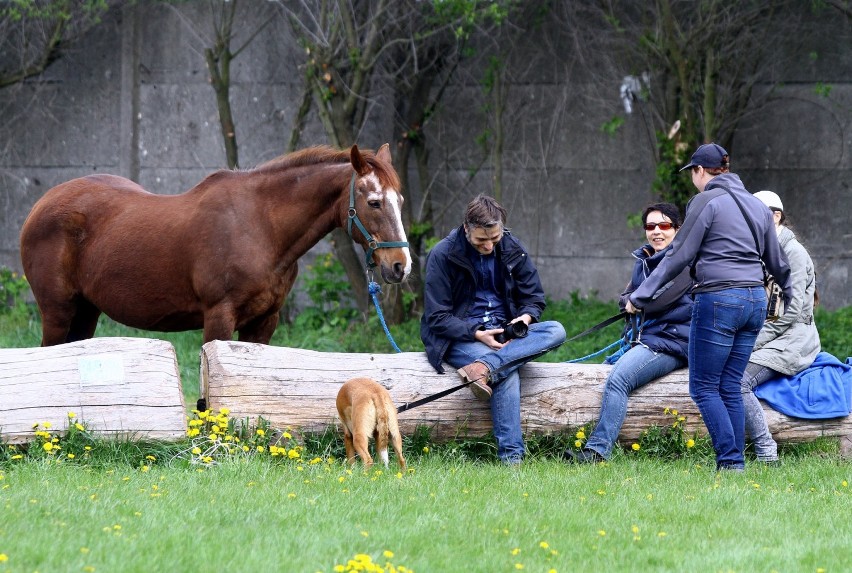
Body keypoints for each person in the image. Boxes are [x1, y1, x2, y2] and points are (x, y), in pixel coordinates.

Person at [625, 143, 792, 472]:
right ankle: (736, 463)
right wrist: (787, 292)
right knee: (729, 383)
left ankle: (730, 463)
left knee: (703, 386)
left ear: (701, 171)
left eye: (693, 174)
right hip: (754, 301)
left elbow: (678, 255)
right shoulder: (758, 207)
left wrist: (638, 297)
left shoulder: (705, 201)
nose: (693, 180)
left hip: (719, 301)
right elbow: (778, 261)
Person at [420, 194, 566, 465]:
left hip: (505, 332)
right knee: (506, 374)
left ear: (502, 228)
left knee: (556, 330)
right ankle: (513, 460)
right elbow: (437, 316)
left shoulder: (512, 247)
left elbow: (535, 298)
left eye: (494, 239)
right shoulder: (442, 253)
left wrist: (524, 318)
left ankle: (483, 369)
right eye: (480, 240)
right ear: (466, 229)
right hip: (460, 335)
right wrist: (476, 333)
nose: (488, 246)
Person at [566, 203, 693, 463]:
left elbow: (659, 301)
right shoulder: (644, 259)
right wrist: (632, 301)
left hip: (672, 343)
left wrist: (635, 301)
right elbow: (625, 298)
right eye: (650, 226)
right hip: (648, 339)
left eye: (664, 226)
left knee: (618, 380)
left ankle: (597, 451)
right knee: (601, 371)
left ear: (678, 230)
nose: (657, 231)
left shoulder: (686, 262)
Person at [740, 190, 820, 463]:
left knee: (738, 381)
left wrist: (749, 343)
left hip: (793, 338)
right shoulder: (759, 251)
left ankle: (766, 451)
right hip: (769, 335)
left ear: (776, 216)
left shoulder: (793, 253)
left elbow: (790, 314)